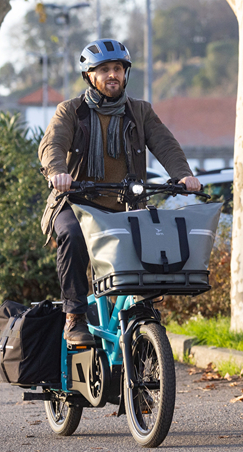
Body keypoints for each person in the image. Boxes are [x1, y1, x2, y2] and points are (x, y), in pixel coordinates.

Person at [38, 39, 201, 346]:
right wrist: (58, 172)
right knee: (72, 236)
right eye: (104, 70)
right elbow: (53, 145)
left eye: (117, 69)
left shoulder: (140, 111)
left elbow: (165, 144)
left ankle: (141, 310)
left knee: (154, 238)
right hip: (75, 202)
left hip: (123, 203)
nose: (112, 75)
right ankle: (75, 317)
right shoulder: (71, 111)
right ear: (90, 76)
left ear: (126, 74)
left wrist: (184, 175)